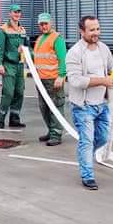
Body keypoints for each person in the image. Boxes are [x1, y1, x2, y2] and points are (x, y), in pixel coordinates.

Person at [65, 16, 113, 191]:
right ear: (81, 31)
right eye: (91, 30)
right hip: (83, 106)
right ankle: (87, 176)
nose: (96, 33)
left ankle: (85, 156)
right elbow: (76, 81)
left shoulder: (103, 48)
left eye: (97, 29)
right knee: (87, 140)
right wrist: (103, 81)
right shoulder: (74, 53)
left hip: (102, 105)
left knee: (103, 137)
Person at [32, 13, 67, 146]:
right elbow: (38, 56)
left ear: (50, 23)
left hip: (53, 79)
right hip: (41, 80)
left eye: (45, 24)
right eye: (41, 24)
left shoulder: (57, 38)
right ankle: (51, 130)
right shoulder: (40, 38)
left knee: (55, 107)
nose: (43, 26)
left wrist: (61, 76)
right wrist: (26, 51)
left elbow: (63, 58)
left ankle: (56, 134)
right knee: (44, 108)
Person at [0, 4, 29, 129]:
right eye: (14, 12)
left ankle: (14, 119)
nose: (17, 14)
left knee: (19, 92)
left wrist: (27, 53)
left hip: (20, 65)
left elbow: (27, 47)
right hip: (8, 64)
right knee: (8, 93)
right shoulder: (4, 30)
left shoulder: (23, 30)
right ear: (10, 13)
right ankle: (1, 118)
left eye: (18, 12)